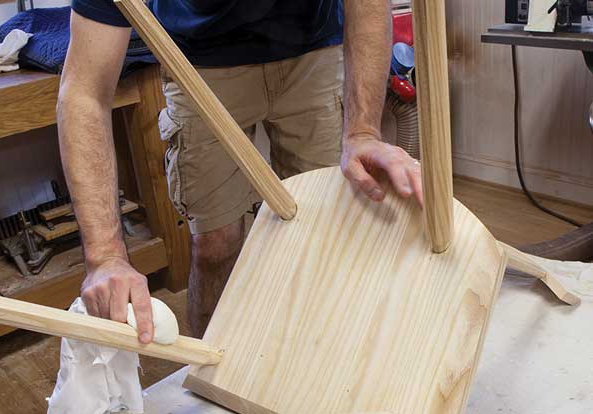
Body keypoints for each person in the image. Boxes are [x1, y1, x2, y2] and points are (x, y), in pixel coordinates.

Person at [57, 0, 423, 341]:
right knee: (215, 246)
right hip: (199, 61)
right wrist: (105, 257)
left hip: (312, 48)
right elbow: (85, 92)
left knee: (326, 230)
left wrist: (362, 132)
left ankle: (321, 351)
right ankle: (212, 370)